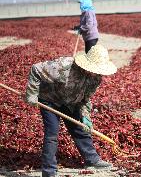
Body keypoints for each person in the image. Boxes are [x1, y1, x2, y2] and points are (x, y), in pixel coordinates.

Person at [25, 45, 117, 177]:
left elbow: (85, 99)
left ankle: (92, 160)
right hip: (50, 100)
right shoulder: (64, 66)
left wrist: (85, 117)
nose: (97, 73)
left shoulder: (96, 78)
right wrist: (32, 94)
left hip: (71, 102)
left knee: (80, 129)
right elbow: (36, 69)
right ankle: (49, 171)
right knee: (52, 134)